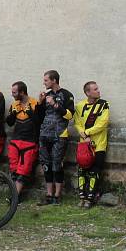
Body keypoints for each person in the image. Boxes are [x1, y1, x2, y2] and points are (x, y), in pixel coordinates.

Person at [36, 70, 74, 206]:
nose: (44, 82)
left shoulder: (66, 94)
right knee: (46, 164)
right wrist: (40, 103)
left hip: (59, 134)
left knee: (57, 164)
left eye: (46, 80)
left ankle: (57, 195)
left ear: (54, 80)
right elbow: (39, 117)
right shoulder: (47, 94)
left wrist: (54, 104)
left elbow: (69, 115)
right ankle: (48, 194)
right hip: (44, 134)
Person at [74, 81, 110, 208]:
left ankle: (91, 198)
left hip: (98, 145)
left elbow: (102, 123)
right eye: (95, 89)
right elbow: (77, 122)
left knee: (95, 171)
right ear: (88, 92)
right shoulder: (79, 106)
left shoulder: (103, 105)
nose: (98, 91)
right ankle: (82, 197)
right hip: (84, 145)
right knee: (82, 170)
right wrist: (83, 134)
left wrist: (87, 132)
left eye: (97, 88)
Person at [5, 81, 40, 200]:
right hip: (15, 140)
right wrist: (12, 115)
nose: (12, 94)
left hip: (30, 141)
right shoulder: (15, 104)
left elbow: (39, 122)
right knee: (14, 169)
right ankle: (16, 196)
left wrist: (32, 114)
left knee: (23, 170)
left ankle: (14, 197)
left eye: (14, 92)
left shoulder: (35, 103)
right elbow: (9, 123)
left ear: (22, 92)